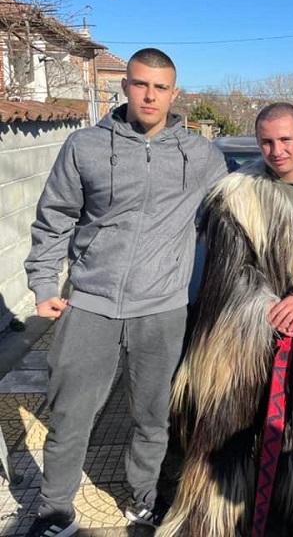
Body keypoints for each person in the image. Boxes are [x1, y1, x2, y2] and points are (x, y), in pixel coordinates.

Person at [23, 48, 228, 537]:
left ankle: (142, 499)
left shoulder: (201, 156)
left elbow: (235, 218)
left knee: (153, 417)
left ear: (174, 93)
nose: (150, 95)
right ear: (125, 87)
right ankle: (55, 509)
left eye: (160, 87)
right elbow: (54, 220)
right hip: (90, 303)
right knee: (70, 414)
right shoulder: (85, 146)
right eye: (141, 84)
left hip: (162, 309)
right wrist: (43, 284)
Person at [158, 103, 293, 537]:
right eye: (267, 141)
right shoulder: (234, 197)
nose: (276, 150)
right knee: (229, 431)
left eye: (285, 140)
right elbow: (232, 269)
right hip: (242, 339)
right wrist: (274, 313)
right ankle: (215, 519)